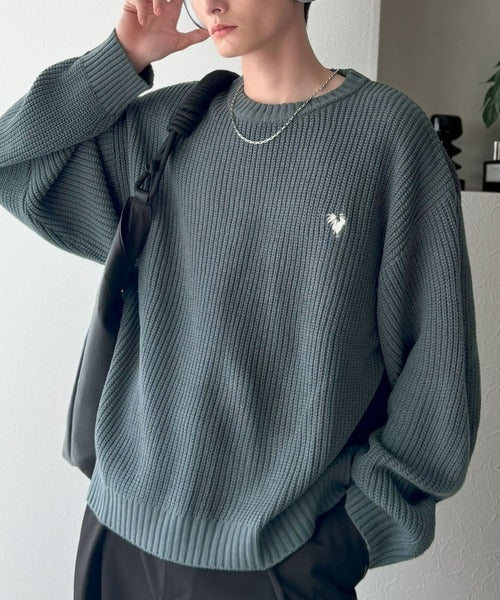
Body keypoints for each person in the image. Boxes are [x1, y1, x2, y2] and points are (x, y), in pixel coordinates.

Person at [0, 0, 481, 598]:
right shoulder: (171, 129)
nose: (210, 5)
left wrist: (351, 538)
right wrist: (120, 60)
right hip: (117, 533)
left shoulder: (388, 139)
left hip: (275, 561)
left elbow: (437, 370)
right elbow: (11, 164)